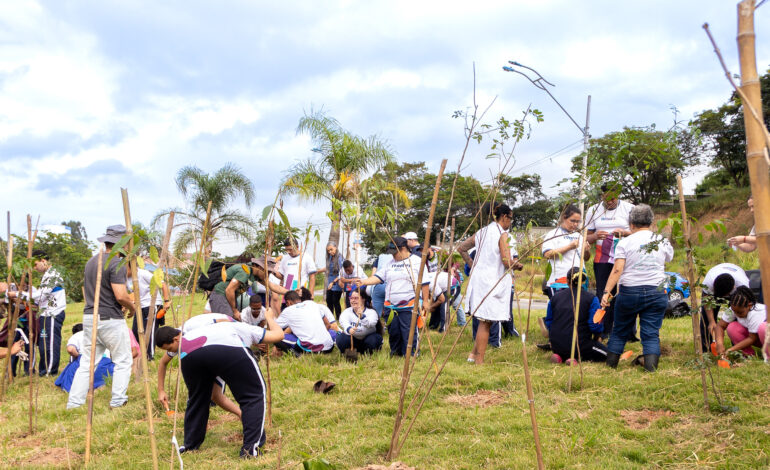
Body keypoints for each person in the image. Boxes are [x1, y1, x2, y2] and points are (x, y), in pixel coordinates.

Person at [155, 309, 284, 458]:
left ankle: (190, 445)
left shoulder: (188, 332)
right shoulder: (238, 327)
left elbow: (215, 395)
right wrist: (269, 317)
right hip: (227, 349)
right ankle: (250, 451)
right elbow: (278, 335)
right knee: (253, 395)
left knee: (197, 399)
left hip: (190, 354)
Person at [67, 225, 136, 409]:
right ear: (121, 243)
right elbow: (120, 295)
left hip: (90, 317)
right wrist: (133, 307)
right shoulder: (116, 262)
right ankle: (118, 400)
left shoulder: (92, 262)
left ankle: (74, 403)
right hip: (109, 318)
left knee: (87, 362)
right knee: (123, 360)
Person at [601, 205, 673, 372]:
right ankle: (650, 368)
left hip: (629, 293)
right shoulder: (661, 240)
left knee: (619, 330)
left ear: (631, 223)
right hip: (657, 291)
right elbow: (669, 257)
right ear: (651, 222)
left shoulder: (625, 243)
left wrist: (606, 292)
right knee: (651, 333)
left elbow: (617, 269)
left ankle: (610, 366)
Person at [463, 204, 522, 365]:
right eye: (510, 218)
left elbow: (461, 248)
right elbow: (506, 260)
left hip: (479, 280)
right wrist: (516, 265)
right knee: (486, 322)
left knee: (484, 319)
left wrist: (472, 264)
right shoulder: (503, 235)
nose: (511, 222)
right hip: (492, 281)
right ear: (504, 217)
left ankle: (472, 355)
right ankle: (479, 361)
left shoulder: (481, 232)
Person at [156, 313, 241, 419]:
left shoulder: (194, 328)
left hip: (227, 335)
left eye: (169, 349)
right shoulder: (178, 341)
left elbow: (223, 321)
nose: (169, 352)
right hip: (207, 351)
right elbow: (163, 363)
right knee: (215, 395)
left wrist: (244, 332)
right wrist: (161, 390)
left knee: (213, 392)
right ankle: (242, 414)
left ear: (176, 339)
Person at [358, 236, 430, 356]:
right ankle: (395, 353)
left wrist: (426, 301)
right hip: (390, 305)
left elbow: (425, 283)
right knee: (394, 331)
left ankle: (411, 354)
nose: (392, 256)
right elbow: (379, 277)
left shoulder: (417, 262)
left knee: (408, 331)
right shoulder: (390, 263)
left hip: (409, 303)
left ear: (403, 249)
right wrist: (364, 282)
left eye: (394, 253)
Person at [585, 184, 634, 337]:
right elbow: (586, 238)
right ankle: (605, 330)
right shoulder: (593, 210)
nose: (610, 202)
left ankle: (629, 332)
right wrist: (595, 236)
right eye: (606, 199)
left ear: (618, 195)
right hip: (602, 259)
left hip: (625, 258)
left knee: (627, 292)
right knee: (604, 293)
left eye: (613, 198)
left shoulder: (629, 208)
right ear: (602, 196)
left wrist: (625, 233)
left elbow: (639, 233)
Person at [9, 249, 67, 376]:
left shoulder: (53, 274)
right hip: (46, 314)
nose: (35, 268)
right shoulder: (47, 276)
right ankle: (44, 370)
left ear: (43, 261)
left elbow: (41, 295)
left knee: (50, 343)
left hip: (53, 313)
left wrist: (19, 294)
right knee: (44, 344)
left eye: (35, 265)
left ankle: (50, 371)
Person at [544, 268, 606, 363]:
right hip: (580, 346)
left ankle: (560, 356)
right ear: (584, 281)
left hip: (556, 345)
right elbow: (594, 325)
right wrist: (598, 337)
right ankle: (574, 358)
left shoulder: (555, 297)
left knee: (565, 347)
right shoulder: (592, 299)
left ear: (567, 281)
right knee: (608, 354)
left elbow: (549, 322)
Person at [542, 204, 591, 298]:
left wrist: (586, 251)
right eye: (572, 221)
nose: (576, 224)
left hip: (577, 282)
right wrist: (569, 247)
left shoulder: (579, 236)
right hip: (559, 282)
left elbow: (586, 258)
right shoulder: (554, 234)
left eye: (578, 221)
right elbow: (547, 254)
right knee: (561, 310)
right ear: (564, 218)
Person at [700, 263, 750, 352]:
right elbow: (707, 300)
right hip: (714, 291)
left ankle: (737, 349)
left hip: (737, 291)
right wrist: (712, 321)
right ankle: (706, 350)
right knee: (706, 320)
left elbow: (744, 307)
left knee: (737, 320)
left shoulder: (742, 284)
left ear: (733, 288)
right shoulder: (709, 282)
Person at [128, 266, 172, 361]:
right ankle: (140, 356)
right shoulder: (125, 278)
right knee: (136, 331)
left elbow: (162, 284)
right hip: (139, 306)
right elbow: (132, 294)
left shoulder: (143, 274)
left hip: (152, 304)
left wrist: (166, 301)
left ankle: (149, 356)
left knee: (150, 331)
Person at [714, 286, 767, 358]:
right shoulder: (735, 308)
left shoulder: (756, 312)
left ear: (749, 305)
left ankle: (768, 356)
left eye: (740, 312)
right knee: (732, 328)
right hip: (759, 339)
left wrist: (731, 350)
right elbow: (720, 326)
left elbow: (752, 338)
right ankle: (749, 356)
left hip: (765, 337)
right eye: (734, 311)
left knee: (763, 328)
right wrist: (719, 343)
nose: (736, 315)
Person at [336, 290, 383, 354]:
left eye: (356, 298)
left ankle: (368, 352)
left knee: (372, 340)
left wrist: (362, 317)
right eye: (351, 298)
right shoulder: (346, 312)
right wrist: (349, 329)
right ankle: (350, 352)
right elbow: (343, 322)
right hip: (353, 340)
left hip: (368, 339)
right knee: (341, 338)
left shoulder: (371, 312)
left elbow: (371, 324)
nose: (353, 300)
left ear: (363, 299)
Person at [319, 242, 345, 318]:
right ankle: (330, 317)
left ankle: (338, 317)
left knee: (335, 301)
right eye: (328, 251)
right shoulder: (330, 257)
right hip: (330, 281)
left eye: (331, 249)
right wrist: (318, 271)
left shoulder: (340, 258)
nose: (330, 252)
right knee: (328, 300)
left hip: (337, 281)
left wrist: (333, 283)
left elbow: (342, 272)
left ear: (336, 247)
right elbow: (327, 268)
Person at [369, 243, 395, 317]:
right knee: (392, 311)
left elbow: (373, 275)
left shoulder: (380, 257)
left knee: (376, 314)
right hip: (391, 287)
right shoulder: (397, 258)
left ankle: (377, 327)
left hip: (379, 286)